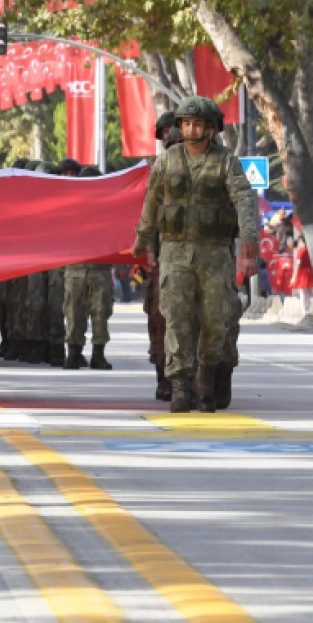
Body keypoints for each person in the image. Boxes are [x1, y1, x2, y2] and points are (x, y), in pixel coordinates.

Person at [132, 97, 258, 414]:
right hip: (174, 252)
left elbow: (244, 201)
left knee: (217, 320)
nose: (192, 129)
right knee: (176, 319)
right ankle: (179, 384)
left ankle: (206, 378)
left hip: (215, 254)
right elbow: (151, 202)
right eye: (187, 123)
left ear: (212, 128)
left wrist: (249, 245)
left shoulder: (226, 162)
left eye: (199, 124)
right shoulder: (167, 161)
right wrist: (142, 240)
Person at [143, 110, 181, 402]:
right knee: (159, 318)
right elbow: (146, 217)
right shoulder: (154, 170)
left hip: (208, 254)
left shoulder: (218, 164)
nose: (170, 136)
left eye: (173, 129)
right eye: (165, 132)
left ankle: (204, 377)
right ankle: (165, 376)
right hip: (164, 256)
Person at [63, 165, 116, 370]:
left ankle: (98, 354)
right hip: (75, 268)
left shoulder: (107, 209)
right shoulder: (70, 208)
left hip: (99, 268)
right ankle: (73, 353)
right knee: (73, 312)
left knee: (100, 313)